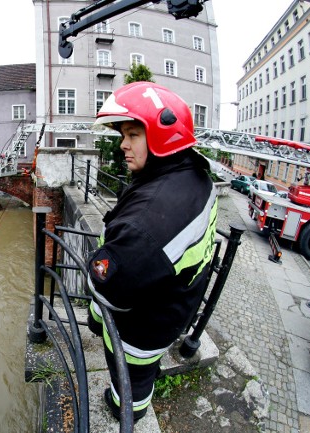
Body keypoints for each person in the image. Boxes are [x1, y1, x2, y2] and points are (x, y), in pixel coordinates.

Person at [86, 82, 218, 423]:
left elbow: (107, 279)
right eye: (122, 135)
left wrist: (96, 266)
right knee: (144, 365)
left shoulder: (147, 224)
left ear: (162, 138)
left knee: (131, 374)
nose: (122, 145)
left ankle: (127, 408)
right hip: (176, 304)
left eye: (132, 135)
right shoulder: (194, 177)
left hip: (144, 326)